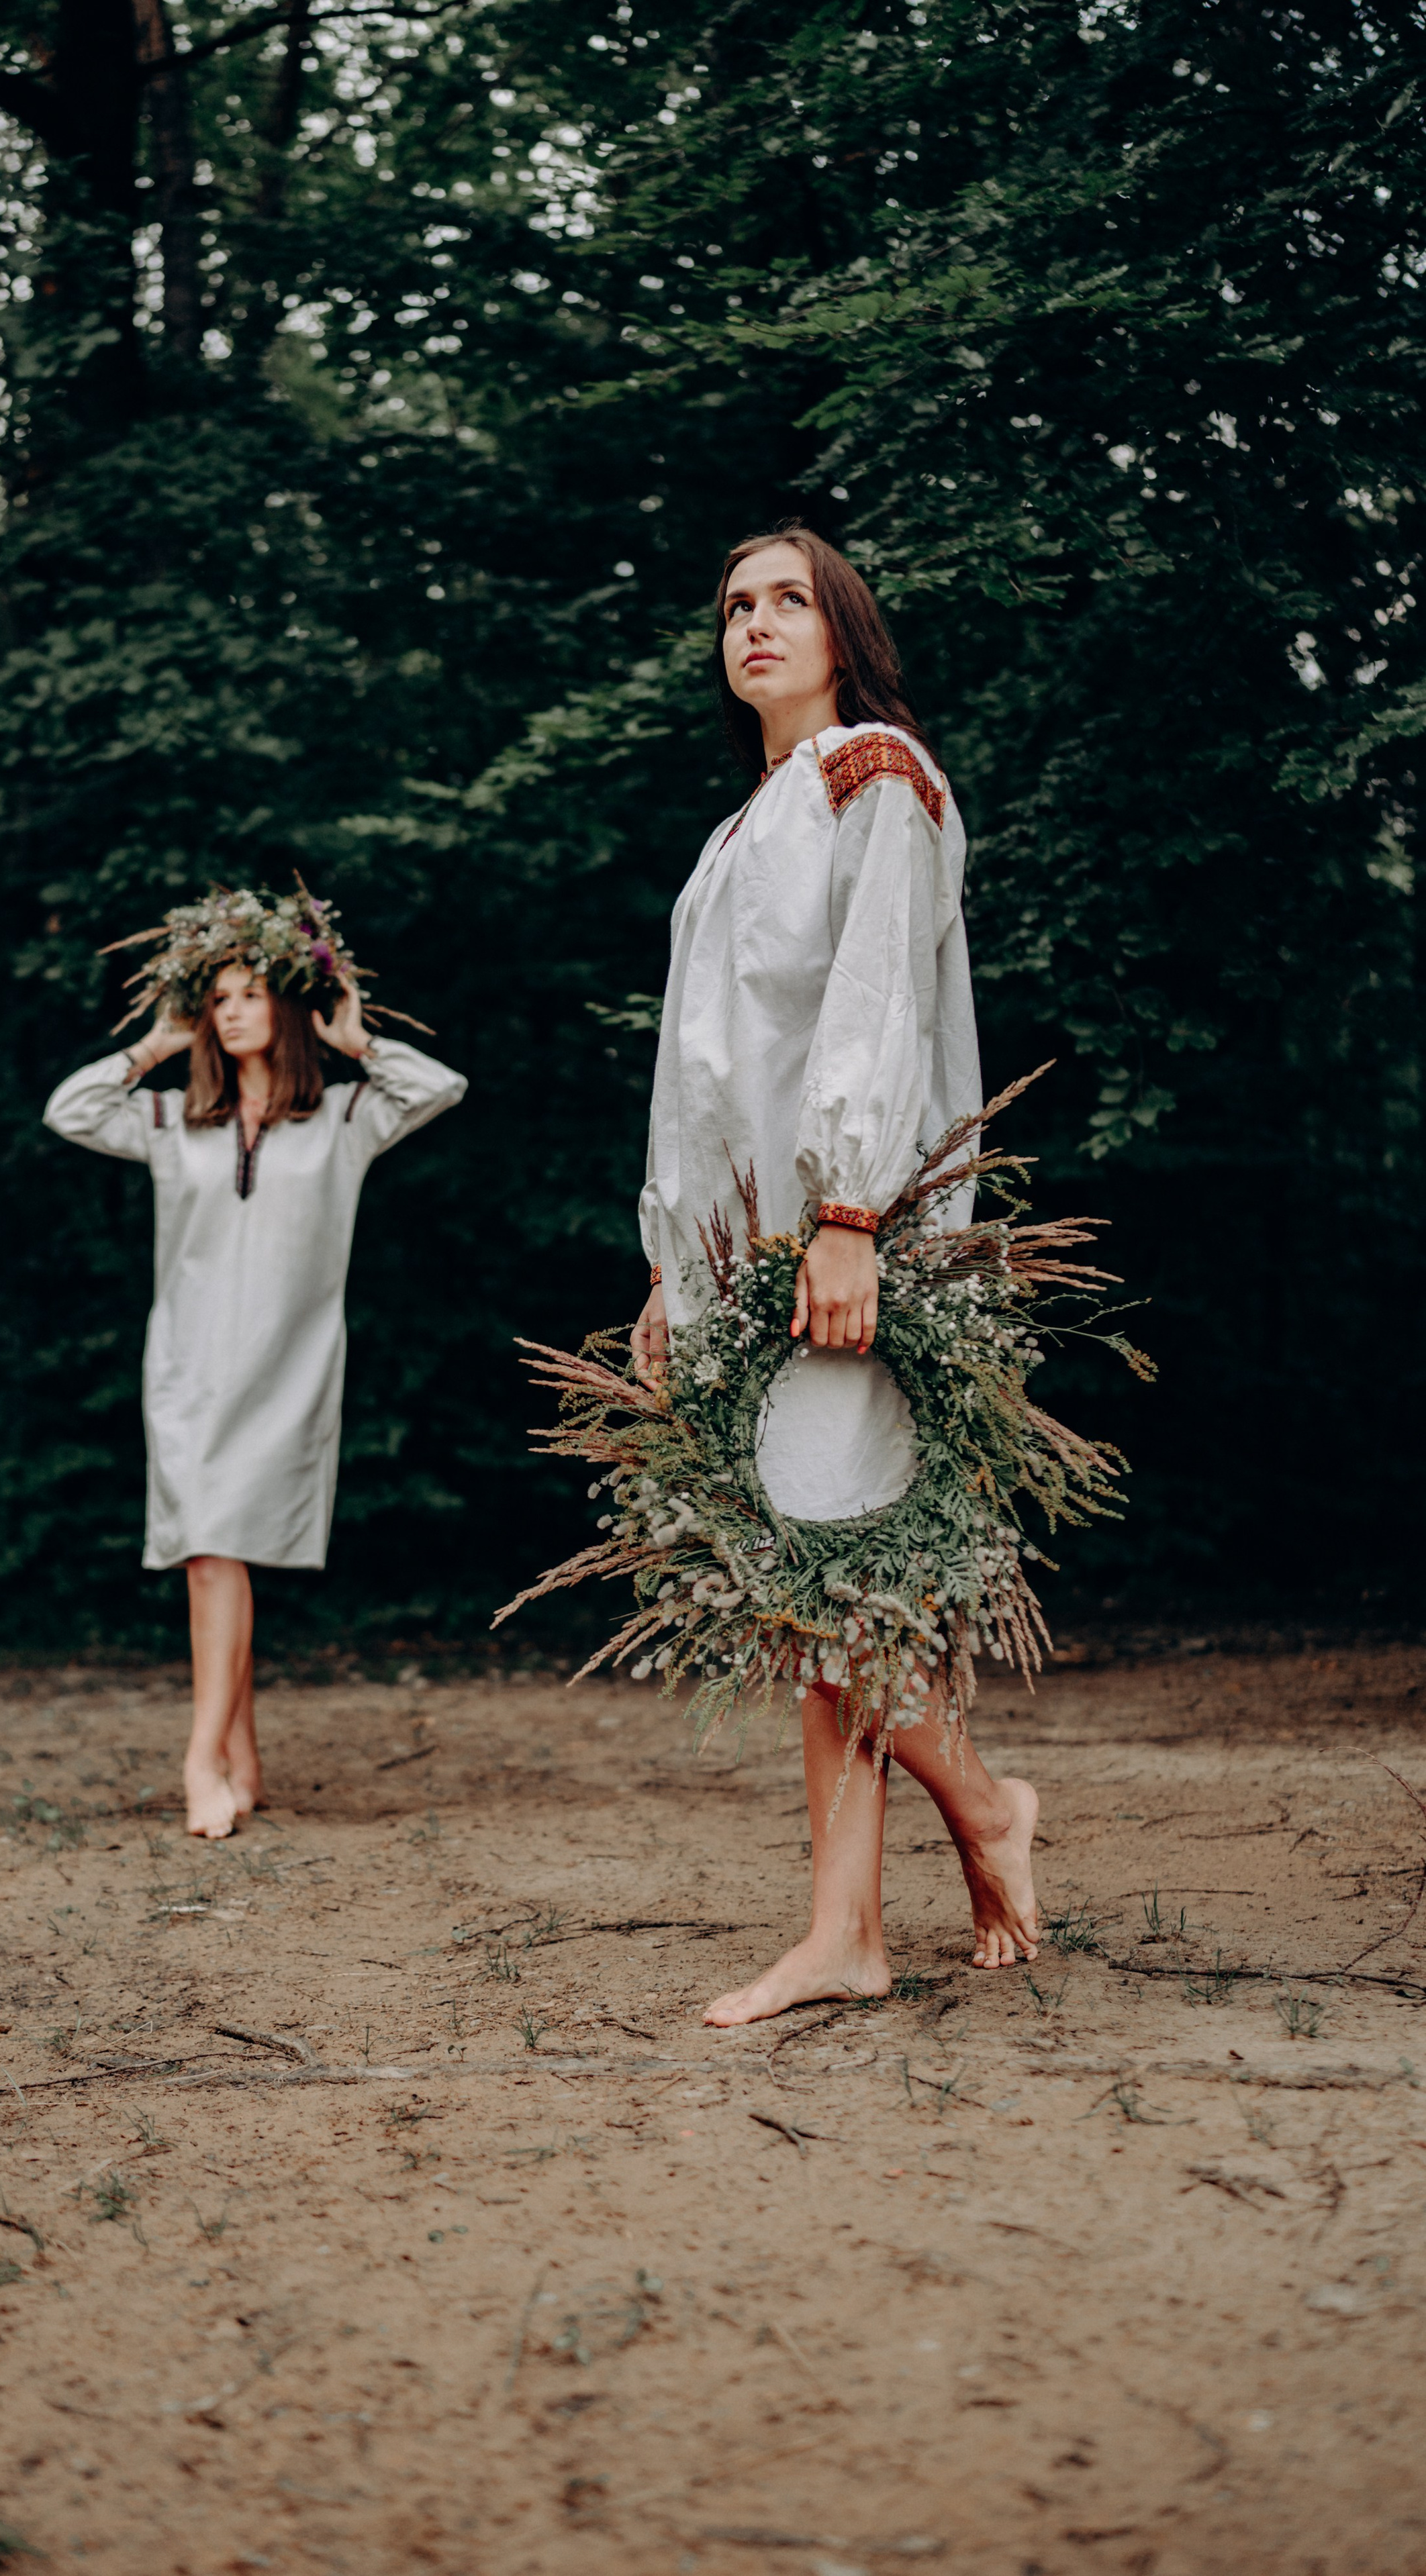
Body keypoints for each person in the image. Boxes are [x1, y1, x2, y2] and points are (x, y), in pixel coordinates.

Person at [630, 524, 1040, 2024]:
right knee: (822, 1579)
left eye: (786, 599)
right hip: (748, 1264)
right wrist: (671, 1267)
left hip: (842, 1239)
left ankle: (974, 1818)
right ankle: (853, 1923)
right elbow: (695, 1075)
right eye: (733, 604)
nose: (753, 623)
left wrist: (851, 1210)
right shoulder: (739, 828)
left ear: (840, 625)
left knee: (823, 1578)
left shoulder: (878, 772)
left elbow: (874, 1002)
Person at [44, 889, 465, 1838]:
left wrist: (357, 1037)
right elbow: (68, 1108)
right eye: (217, 995)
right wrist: (153, 1043)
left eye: (248, 991)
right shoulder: (171, 1122)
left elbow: (437, 1088)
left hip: (286, 1369)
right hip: (189, 1370)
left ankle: (220, 1753)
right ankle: (220, 1753)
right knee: (209, 1554)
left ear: (286, 1004)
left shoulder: (344, 1119)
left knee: (221, 1553)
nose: (230, 1008)